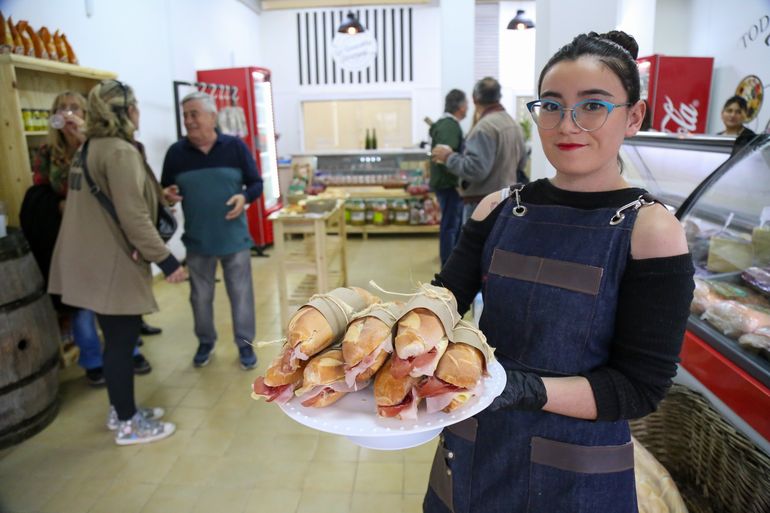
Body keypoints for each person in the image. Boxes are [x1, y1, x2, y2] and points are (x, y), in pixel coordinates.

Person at [423, 31, 695, 513]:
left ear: (634, 116)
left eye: (593, 106)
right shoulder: (499, 209)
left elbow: (639, 387)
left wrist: (520, 388)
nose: (567, 124)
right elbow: (444, 298)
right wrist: (390, 331)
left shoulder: (650, 230)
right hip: (472, 442)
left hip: (574, 472)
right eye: (551, 105)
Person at [48, 80, 185, 445]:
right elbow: (134, 216)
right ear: (124, 112)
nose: (139, 112)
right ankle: (128, 423)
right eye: (135, 105)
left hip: (87, 261)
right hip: (110, 265)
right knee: (122, 342)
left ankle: (120, 409)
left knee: (116, 342)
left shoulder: (90, 146)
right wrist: (168, 261)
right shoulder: (120, 152)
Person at [19, 91, 151, 386]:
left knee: (119, 296)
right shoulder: (47, 153)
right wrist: (59, 205)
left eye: (74, 108)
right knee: (80, 304)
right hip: (69, 236)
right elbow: (40, 192)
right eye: (62, 108)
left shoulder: (97, 147)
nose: (67, 114)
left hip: (105, 234)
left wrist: (83, 142)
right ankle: (92, 360)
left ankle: (130, 350)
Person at [161, 91, 262, 370]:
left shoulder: (235, 147)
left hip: (235, 239)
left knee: (241, 295)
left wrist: (245, 198)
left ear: (212, 117)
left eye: (194, 114)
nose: (189, 121)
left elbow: (256, 184)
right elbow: (166, 191)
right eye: (185, 116)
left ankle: (245, 346)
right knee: (200, 297)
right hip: (197, 241)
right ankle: (205, 341)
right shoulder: (176, 153)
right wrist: (167, 195)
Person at [431, 77, 528, 224]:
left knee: (475, 246)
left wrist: (448, 157)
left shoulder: (484, 128)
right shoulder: (513, 124)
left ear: (475, 99)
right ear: (499, 97)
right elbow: (522, 163)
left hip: (482, 205)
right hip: (506, 201)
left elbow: (476, 170)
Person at [429, 89, 468, 266]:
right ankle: (448, 266)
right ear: (460, 106)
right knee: (451, 226)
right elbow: (442, 157)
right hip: (448, 184)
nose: (468, 107)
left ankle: (449, 263)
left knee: (451, 224)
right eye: (466, 103)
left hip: (444, 183)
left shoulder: (443, 124)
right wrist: (456, 182)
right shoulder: (450, 126)